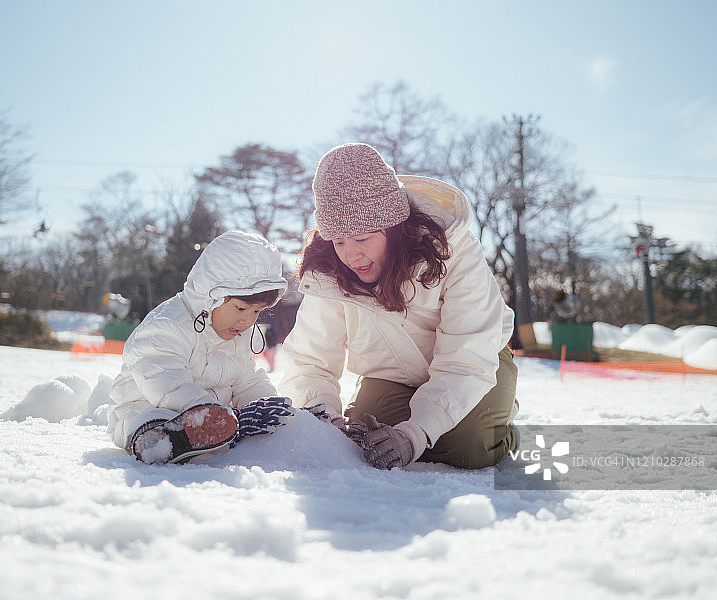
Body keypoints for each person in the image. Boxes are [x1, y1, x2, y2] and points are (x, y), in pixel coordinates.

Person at [278, 143, 518, 471]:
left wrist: (414, 434)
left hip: (476, 362)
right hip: (392, 373)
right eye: (339, 241)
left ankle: (498, 421)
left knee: (469, 446)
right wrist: (327, 422)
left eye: (363, 238)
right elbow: (310, 361)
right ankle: (452, 417)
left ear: (393, 228)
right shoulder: (329, 271)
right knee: (363, 438)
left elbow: (467, 358)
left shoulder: (455, 249)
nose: (351, 255)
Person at [107, 231, 299, 464]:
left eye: (257, 311)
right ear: (212, 297)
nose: (247, 321)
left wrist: (265, 405)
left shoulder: (237, 333)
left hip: (214, 416)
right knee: (150, 417)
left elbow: (247, 380)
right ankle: (160, 442)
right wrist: (208, 412)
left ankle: (208, 435)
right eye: (240, 309)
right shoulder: (167, 325)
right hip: (146, 406)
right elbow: (164, 381)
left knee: (246, 417)